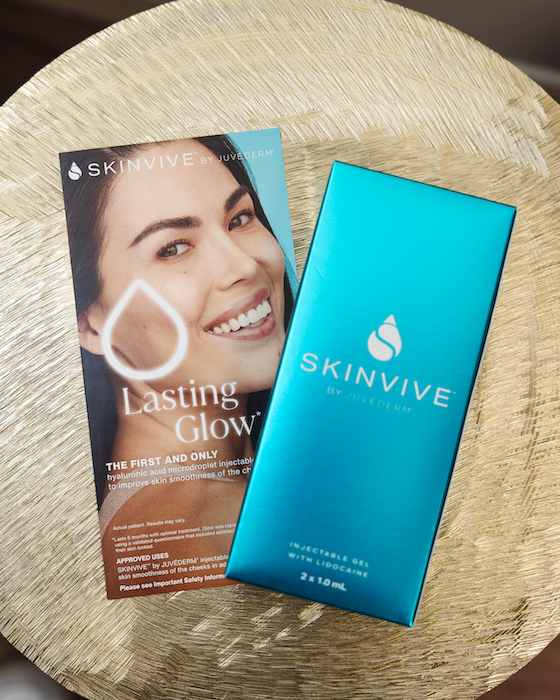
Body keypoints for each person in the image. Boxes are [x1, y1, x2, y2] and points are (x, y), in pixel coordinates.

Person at [60, 134, 294, 596]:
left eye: (239, 218)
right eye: (172, 248)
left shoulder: (204, 494)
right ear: (90, 323)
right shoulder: (218, 531)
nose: (244, 266)